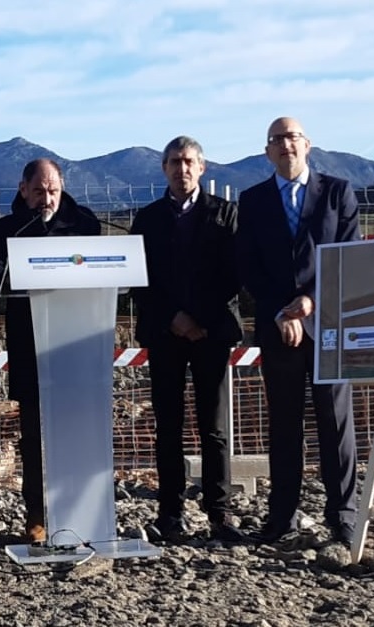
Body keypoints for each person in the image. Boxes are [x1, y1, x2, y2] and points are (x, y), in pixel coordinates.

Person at [234, 117, 362, 545]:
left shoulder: (338, 193)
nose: (285, 144)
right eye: (276, 139)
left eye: (292, 136)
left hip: (327, 325)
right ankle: (281, 517)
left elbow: (348, 256)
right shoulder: (252, 201)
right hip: (278, 326)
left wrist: (310, 300)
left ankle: (343, 515)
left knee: (335, 422)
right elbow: (249, 266)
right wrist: (281, 313)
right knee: (284, 425)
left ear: (307, 144)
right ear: (267, 151)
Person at [129, 136, 246, 543]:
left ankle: (220, 513)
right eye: (174, 162)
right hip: (165, 335)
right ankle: (170, 514)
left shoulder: (226, 214)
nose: (182, 169)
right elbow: (138, 279)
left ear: (202, 167)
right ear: (164, 169)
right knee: (168, 427)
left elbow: (235, 275)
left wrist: (200, 320)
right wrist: (174, 318)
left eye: (189, 162)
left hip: (212, 333)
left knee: (214, 428)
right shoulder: (147, 219)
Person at [0, 158, 101, 543]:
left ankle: (81, 510)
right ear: (23, 190)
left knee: (77, 429)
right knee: (33, 435)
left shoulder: (85, 225)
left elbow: (98, 274)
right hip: (30, 344)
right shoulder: (6, 229)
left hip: (76, 342)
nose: (47, 198)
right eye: (39, 191)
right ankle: (36, 515)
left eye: (53, 190)